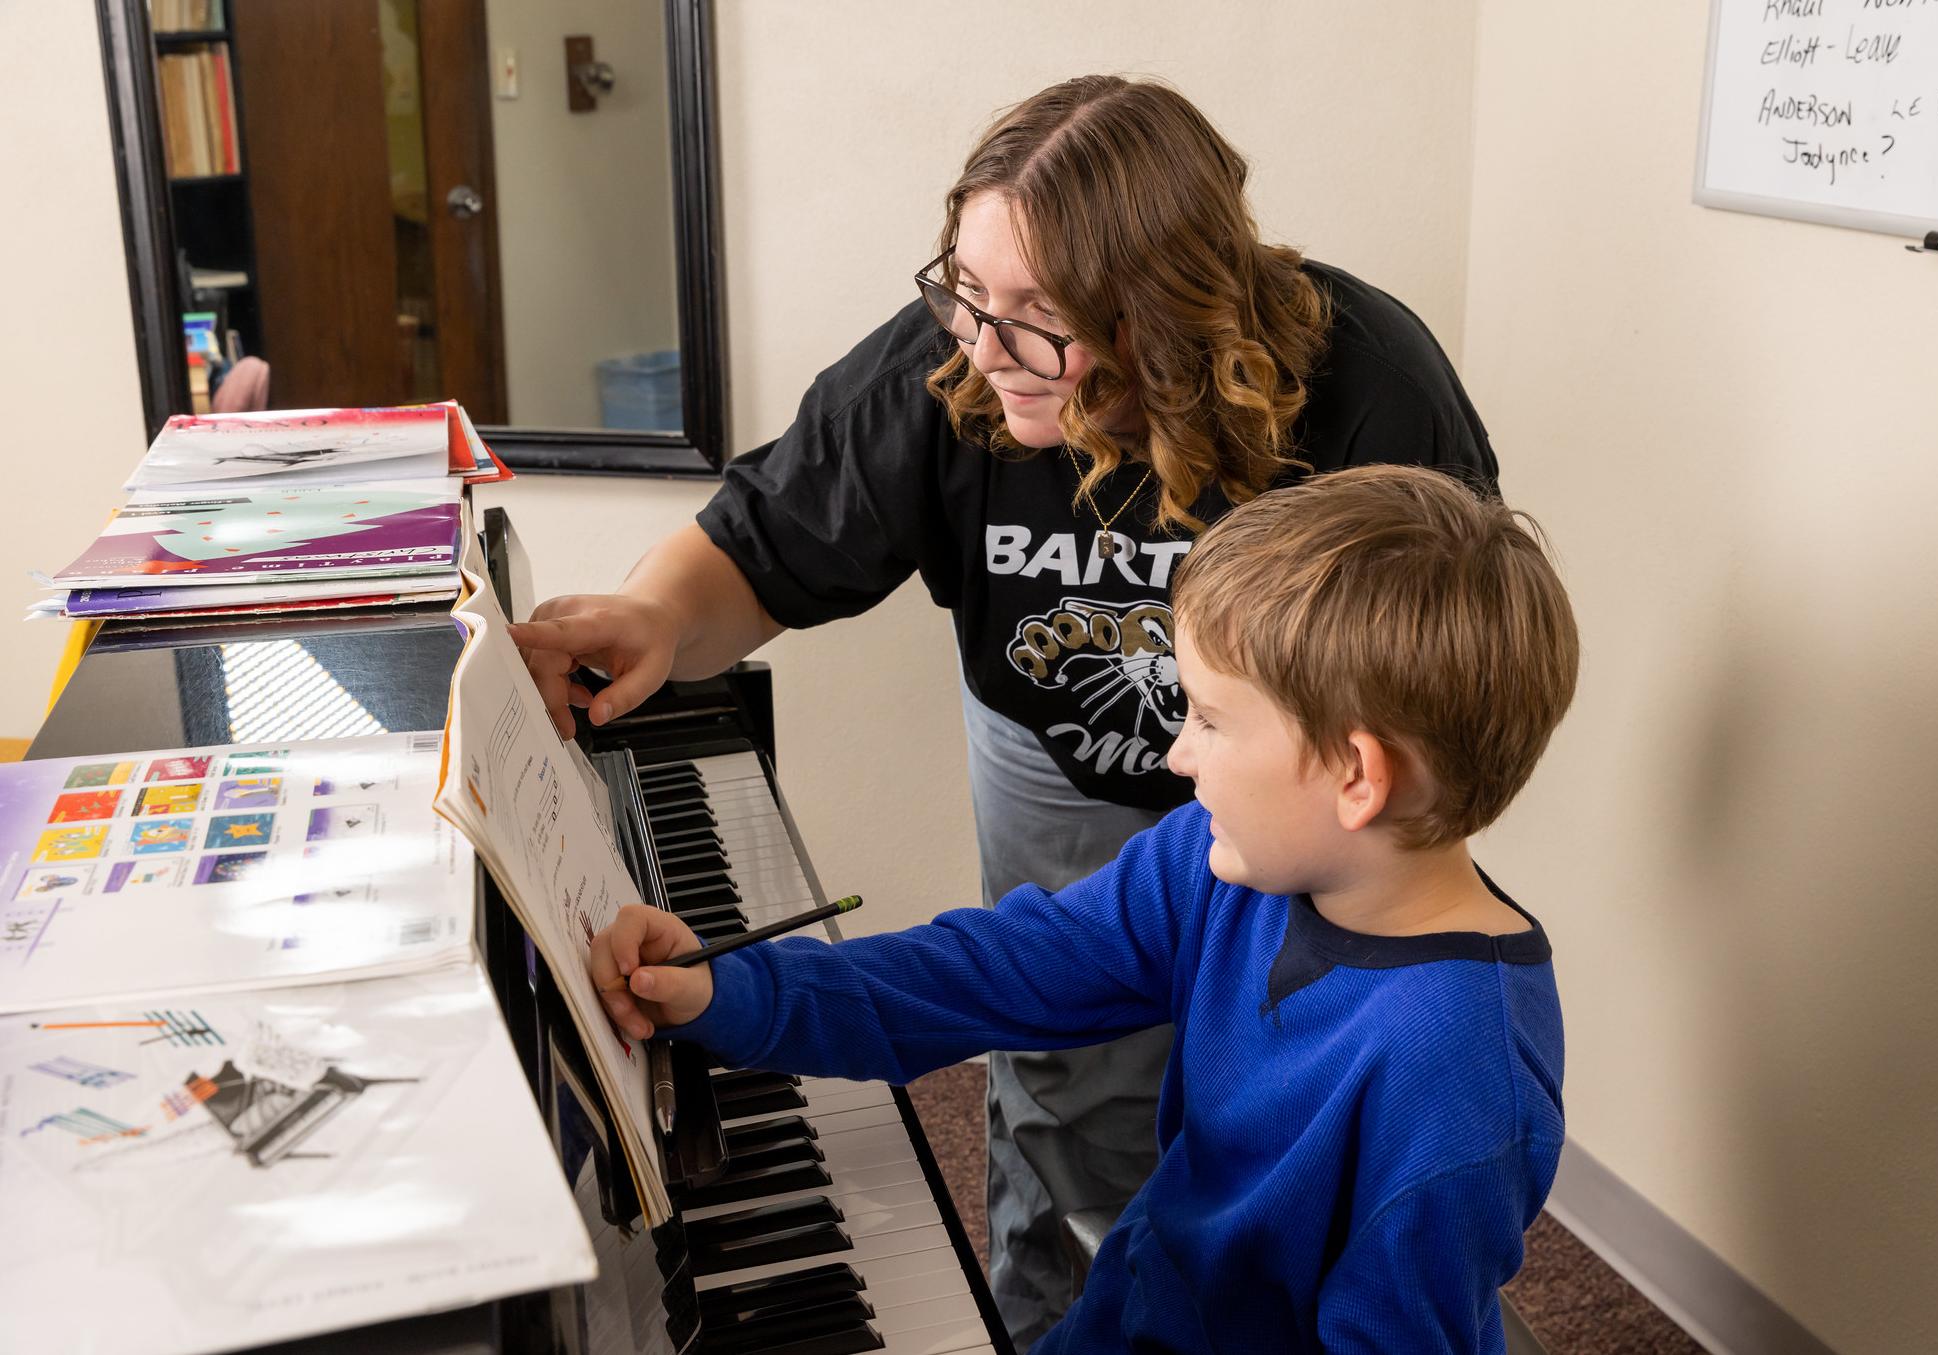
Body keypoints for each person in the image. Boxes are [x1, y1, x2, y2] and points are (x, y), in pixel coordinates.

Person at [511, 74, 1499, 1348]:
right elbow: (763, 544)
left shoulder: (1370, 383)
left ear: (1169, 312)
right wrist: (653, 615)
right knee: (1064, 1077)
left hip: (1310, 790)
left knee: (1297, 1108)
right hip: (1053, 747)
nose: (981, 345)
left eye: (1041, 315)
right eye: (970, 291)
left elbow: (1440, 672)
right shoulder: (962, 353)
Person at [591, 465, 1580, 1353]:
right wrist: (729, 985)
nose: (1175, 753)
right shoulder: (1216, 863)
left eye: (1209, 719)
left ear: (1355, 776)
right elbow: (997, 967)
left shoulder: (1457, 1070)